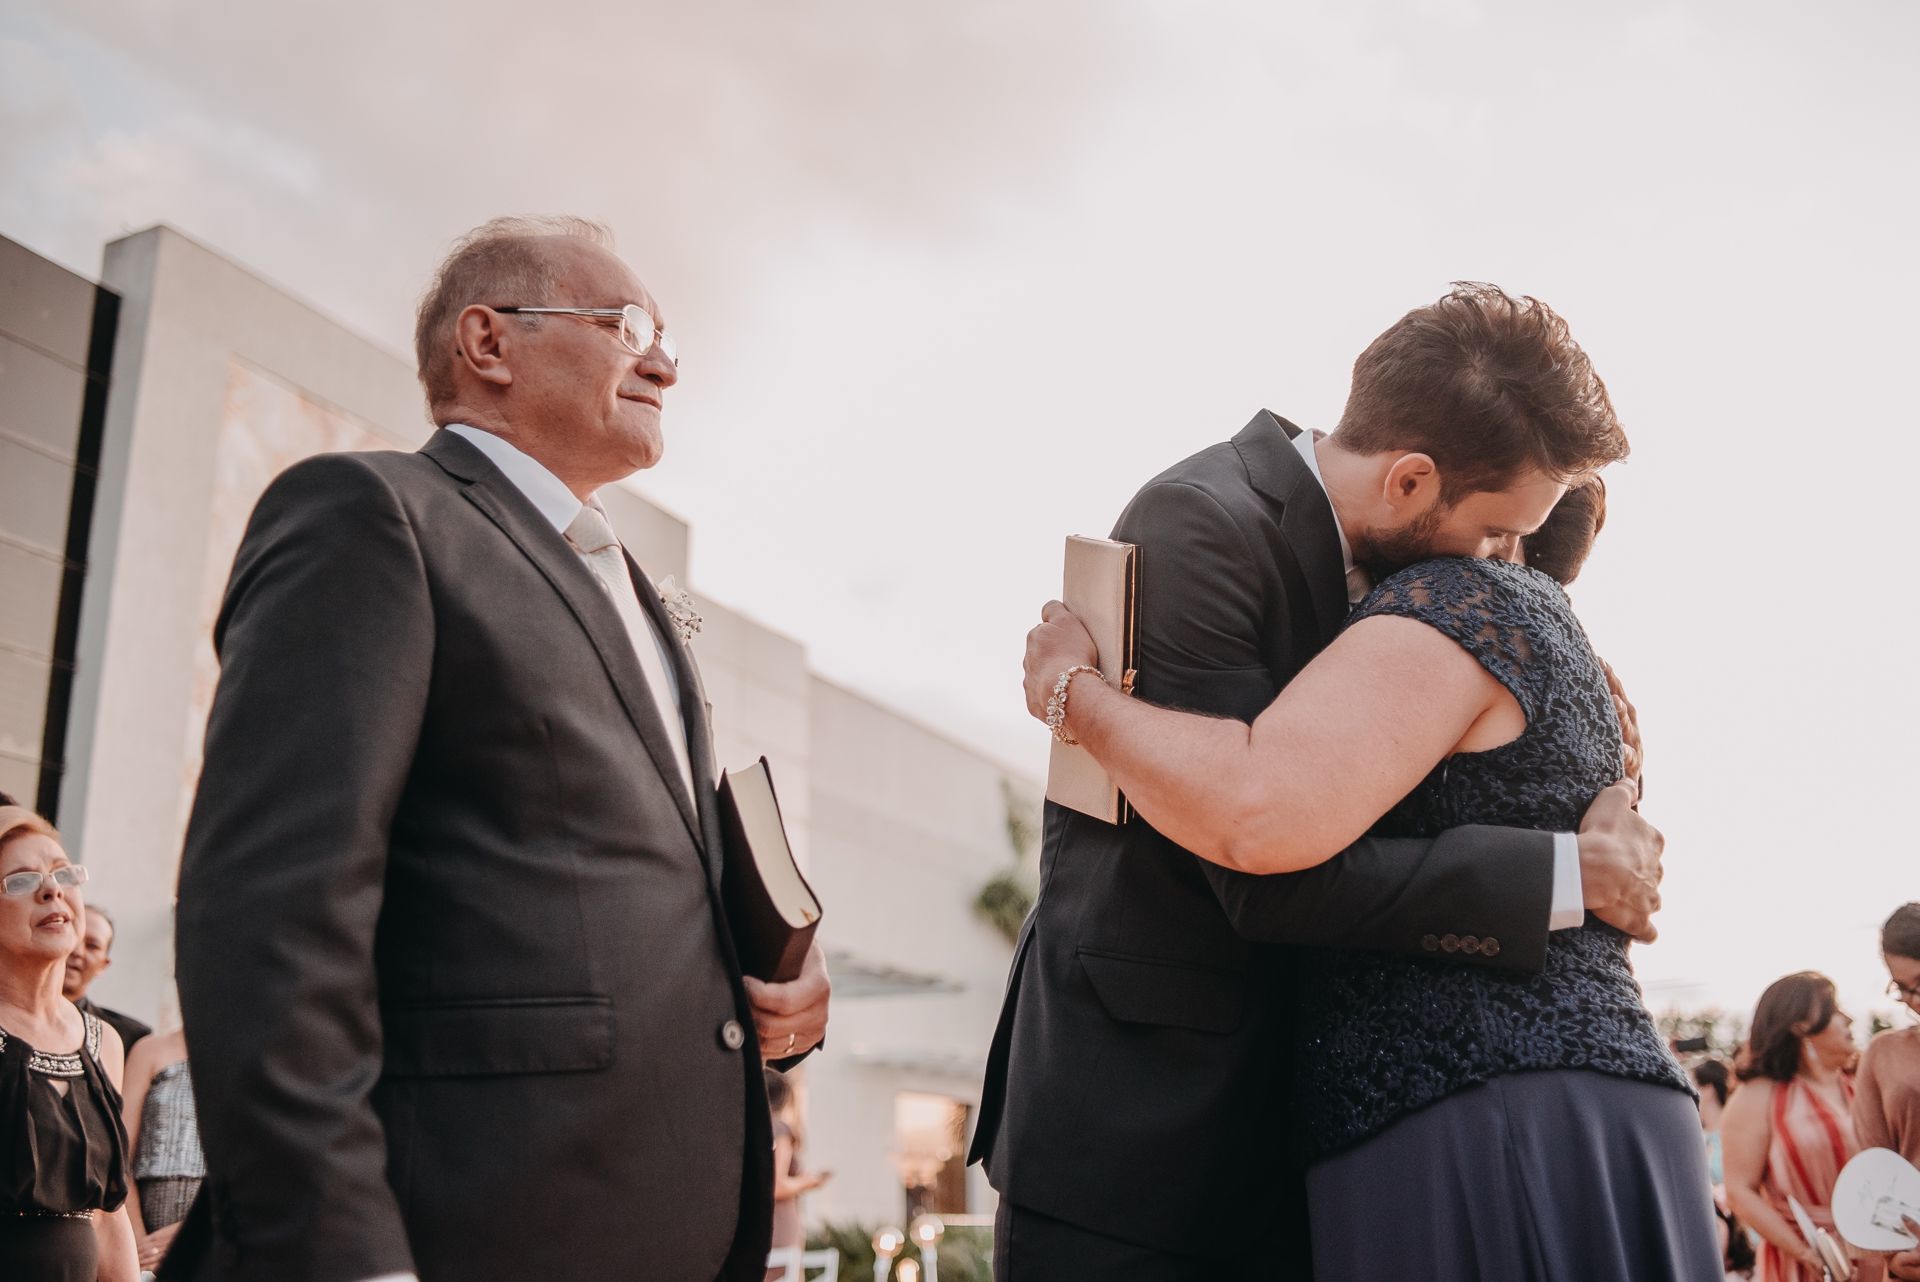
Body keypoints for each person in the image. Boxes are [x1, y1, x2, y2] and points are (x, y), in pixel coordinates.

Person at [163, 217, 830, 1282]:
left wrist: (770, 977)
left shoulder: (635, 594)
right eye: (628, 327)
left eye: (667, 341)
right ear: (488, 343)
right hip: (458, 1231)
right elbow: (272, 913)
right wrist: (342, 1256)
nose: (662, 364)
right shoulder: (375, 517)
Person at [975, 283, 1670, 1279]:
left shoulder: (1409, 584)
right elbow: (1261, 864)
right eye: (1493, 537)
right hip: (1142, 1133)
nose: (1500, 570)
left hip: (1310, 1134)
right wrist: (1560, 877)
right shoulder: (1202, 521)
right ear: (1411, 480)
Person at [0, 804, 140, 1281]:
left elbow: (106, 1216)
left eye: (63, 873)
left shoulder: (105, 1043)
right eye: (21, 880)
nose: (52, 889)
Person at [1723, 972, 1884, 1281]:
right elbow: (1739, 1191)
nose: (1848, 1019)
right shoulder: (1758, 1095)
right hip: (1807, 1260)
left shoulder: (1859, 1083)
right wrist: (1806, 1253)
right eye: (1834, 1009)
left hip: (1878, 1250)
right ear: (1799, 1025)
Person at [1856, 904, 1920, 1281]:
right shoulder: (1883, 1054)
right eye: (1903, 989)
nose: (1915, 1000)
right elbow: (1873, 1165)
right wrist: (1893, 1256)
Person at [120, 1024, 202, 1274]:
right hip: (144, 1239)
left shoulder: (251, 1059)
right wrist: (139, 1247)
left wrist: (196, 1229)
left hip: (213, 1235)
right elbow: (119, 1157)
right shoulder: (149, 1050)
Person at [763, 1070, 828, 1281]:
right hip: (779, 1223)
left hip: (759, 1222)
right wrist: (808, 1182)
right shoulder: (780, 1129)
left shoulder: (754, 1129)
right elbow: (777, 1186)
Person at [64, 905, 152, 1055]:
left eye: (92, 946)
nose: (77, 952)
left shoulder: (130, 1037)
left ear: (103, 966)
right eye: (72, 937)